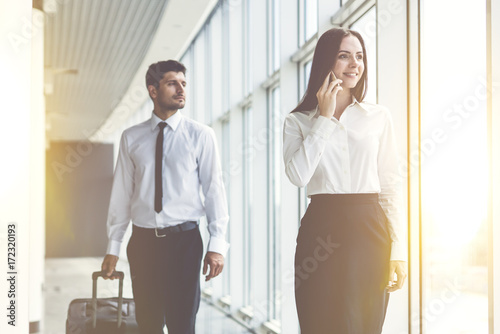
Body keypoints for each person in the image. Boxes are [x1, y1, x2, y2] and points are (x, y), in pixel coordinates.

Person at [283, 28, 407, 333]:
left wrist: (398, 251)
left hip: (370, 230)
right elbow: (298, 176)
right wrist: (324, 119)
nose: (355, 64)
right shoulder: (298, 121)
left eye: (359, 56)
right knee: (319, 322)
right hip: (320, 231)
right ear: (327, 61)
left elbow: (390, 186)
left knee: (363, 324)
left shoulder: (378, 117)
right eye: (344, 56)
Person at [100, 60, 229, 334]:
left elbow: (214, 189)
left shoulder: (201, 135)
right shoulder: (131, 138)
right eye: (172, 83)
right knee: (148, 324)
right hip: (143, 243)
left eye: (183, 83)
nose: (181, 89)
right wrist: (114, 246)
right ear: (153, 90)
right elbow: (121, 194)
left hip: (185, 242)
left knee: (183, 324)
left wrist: (217, 242)